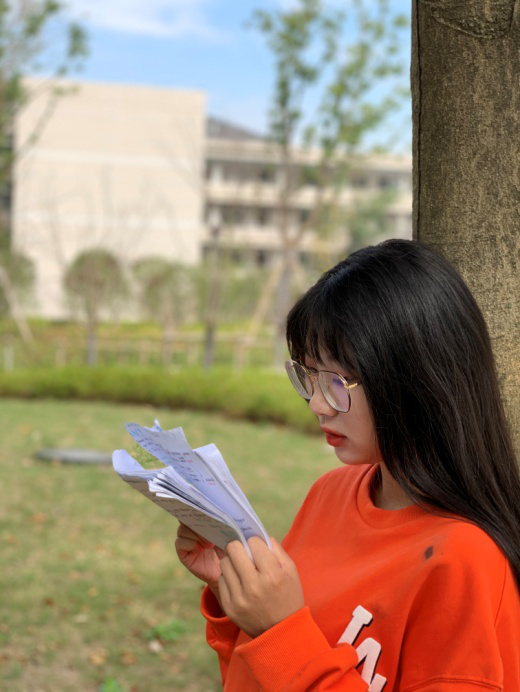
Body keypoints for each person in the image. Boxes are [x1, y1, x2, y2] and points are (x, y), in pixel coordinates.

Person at [175, 239, 520, 691]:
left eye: (337, 382)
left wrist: (280, 632)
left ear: (416, 380)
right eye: (309, 377)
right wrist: (235, 596)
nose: (317, 404)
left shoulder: (464, 561)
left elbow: (292, 654)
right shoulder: (330, 493)